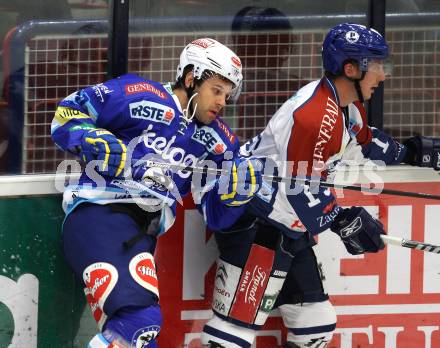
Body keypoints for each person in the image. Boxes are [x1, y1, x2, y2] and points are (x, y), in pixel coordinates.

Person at [198, 23, 440, 348]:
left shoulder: (346, 108)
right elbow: (302, 189)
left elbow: (367, 144)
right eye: (378, 65)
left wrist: (415, 153)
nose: (383, 75)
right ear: (351, 68)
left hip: (288, 228)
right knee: (232, 335)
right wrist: (343, 220)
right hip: (258, 226)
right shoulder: (314, 116)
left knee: (316, 326)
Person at [51, 38, 262, 348]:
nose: (221, 103)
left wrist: (237, 194)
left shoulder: (218, 140)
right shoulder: (140, 94)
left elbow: (216, 216)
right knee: (141, 322)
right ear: (191, 78)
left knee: (139, 334)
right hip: (100, 216)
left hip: (140, 235)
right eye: (216, 90)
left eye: (227, 96)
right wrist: (104, 145)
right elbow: (66, 115)